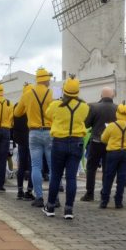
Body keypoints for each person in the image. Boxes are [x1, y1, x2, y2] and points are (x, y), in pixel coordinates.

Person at [43, 75, 89, 219]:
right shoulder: (84, 106)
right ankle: (69, 210)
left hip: (59, 141)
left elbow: (48, 115)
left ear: (64, 90)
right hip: (77, 142)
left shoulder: (56, 105)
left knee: (55, 176)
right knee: (71, 178)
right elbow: (84, 118)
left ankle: (50, 206)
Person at [14, 68, 53, 207]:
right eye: (48, 78)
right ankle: (54, 199)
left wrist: (28, 108)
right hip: (49, 132)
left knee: (36, 166)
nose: (49, 80)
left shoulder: (28, 94)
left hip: (34, 132)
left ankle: (39, 198)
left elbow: (17, 113)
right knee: (52, 166)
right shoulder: (50, 93)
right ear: (45, 79)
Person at [80, 87, 117, 202]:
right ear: (113, 96)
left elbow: (86, 124)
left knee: (91, 168)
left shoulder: (94, 107)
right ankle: (105, 194)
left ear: (101, 96)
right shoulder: (118, 108)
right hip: (111, 142)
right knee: (108, 168)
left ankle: (89, 194)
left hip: (96, 141)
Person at [100, 103, 126, 209]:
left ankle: (104, 201)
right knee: (121, 178)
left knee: (109, 176)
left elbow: (103, 139)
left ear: (117, 113)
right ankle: (118, 201)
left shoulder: (111, 126)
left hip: (113, 153)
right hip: (125, 153)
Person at [14, 83, 35, 201]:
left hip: (21, 139)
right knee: (34, 165)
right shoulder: (34, 106)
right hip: (32, 138)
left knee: (21, 165)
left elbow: (14, 123)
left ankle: (19, 190)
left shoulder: (18, 105)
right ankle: (29, 191)